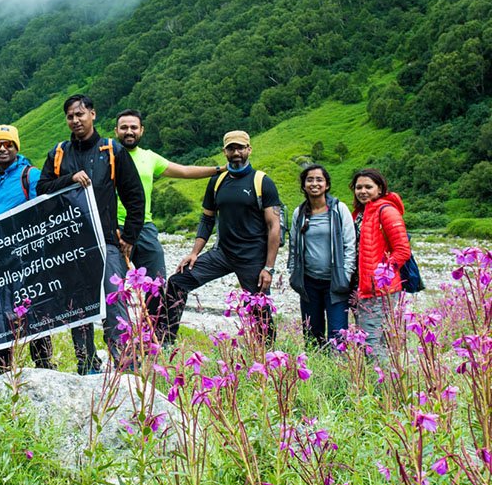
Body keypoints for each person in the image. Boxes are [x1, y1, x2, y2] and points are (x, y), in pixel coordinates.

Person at [36, 94, 145, 374]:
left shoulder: (112, 150)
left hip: (106, 241)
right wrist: (69, 180)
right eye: (70, 116)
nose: (75, 120)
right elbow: (42, 189)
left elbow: (134, 196)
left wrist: (129, 236)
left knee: (114, 301)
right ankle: (87, 365)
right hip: (71, 245)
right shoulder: (58, 153)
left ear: (93, 115)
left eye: (80, 114)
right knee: (79, 307)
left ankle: (126, 366)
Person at [159, 130, 281, 344]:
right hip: (222, 254)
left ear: (249, 149)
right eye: (231, 148)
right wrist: (194, 253)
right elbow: (207, 219)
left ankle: (267, 356)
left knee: (259, 310)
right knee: (177, 282)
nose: (236, 152)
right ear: (224, 152)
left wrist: (268, 268)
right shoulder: (217, 181)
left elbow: (274, 227)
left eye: (240, 148)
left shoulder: (262, 182)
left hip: (252, 258)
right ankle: (165, 342)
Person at [0, 124, 55, 370]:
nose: (3, 148)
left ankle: (44, 363)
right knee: (0, 310)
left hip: (26, 256)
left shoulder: (31, 176)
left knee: (33, 308)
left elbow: (43, 210)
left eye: (8, 144)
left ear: (16, 147)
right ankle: (0, 366)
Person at [114, 108, 220, 286]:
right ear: (116, 131)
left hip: (145, 227)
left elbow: (185, 171)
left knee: (157, 283)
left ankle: (158, 306)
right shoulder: (107, 156)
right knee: (113, 285)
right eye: (124, 127)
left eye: (134, 127)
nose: (129, 131)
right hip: (116, 228)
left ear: (142, 130)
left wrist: (219, 170)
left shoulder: (149, 157)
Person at [287, 164, 356, 347]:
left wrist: (346, 275)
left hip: (335, 282)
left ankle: (338, 364)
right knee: (312, 334)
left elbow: (350, 244)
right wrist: (293, 274)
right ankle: (314, 363)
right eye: (309, 180)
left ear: (327, 185)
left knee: (338, 335)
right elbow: (293, 246)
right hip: (309, 282)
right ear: (303, 185)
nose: (314, 183)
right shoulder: (299, 213)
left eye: (319, 179)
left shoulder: (339, 209)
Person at [350, 168, 411, 354]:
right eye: (358, 187)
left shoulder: (387, 211)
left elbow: (402, 251)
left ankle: (380, 374)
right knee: (370, 339)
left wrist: (381, 275)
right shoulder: (360, 213)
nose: (363, 191)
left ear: (380, 189)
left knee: (372, 342)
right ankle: (382, 372)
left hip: (379, 288)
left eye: (368, 187)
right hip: (361, 287)